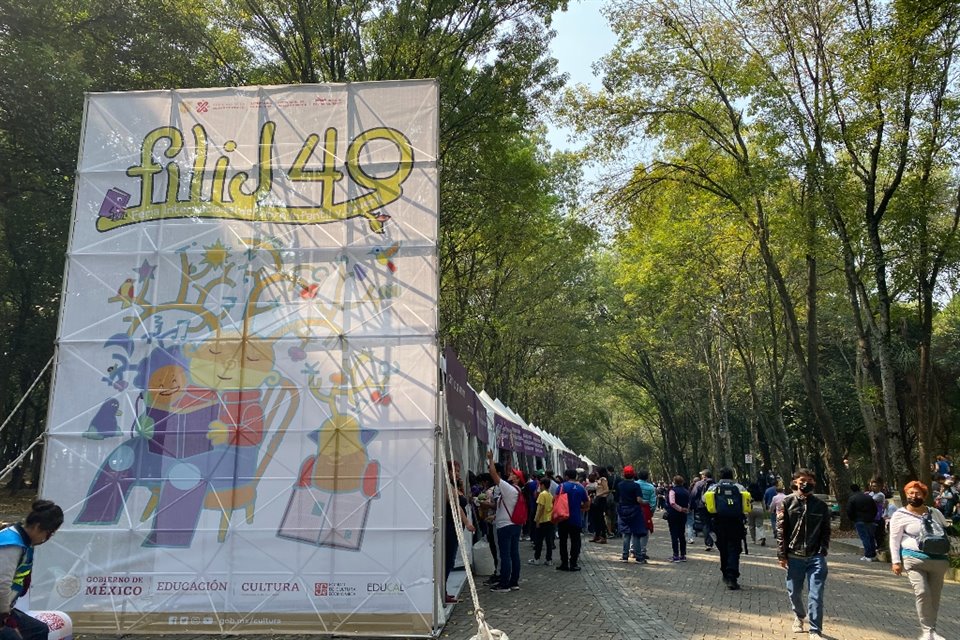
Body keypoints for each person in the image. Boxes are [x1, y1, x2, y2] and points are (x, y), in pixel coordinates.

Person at [889, 480, 950, 640]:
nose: (914, 496)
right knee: (922, 592)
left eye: (917, 493)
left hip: (938, 560)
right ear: (906, 495)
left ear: (924, 495)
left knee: (934, 596)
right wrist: (896, 561)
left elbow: (946, 530)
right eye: (911, 493)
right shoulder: (899, 515)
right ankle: (926, 631)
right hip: (913, 558)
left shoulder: (934, 512)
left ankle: (932, 630)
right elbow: (894, 539)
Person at [776, 469, 830, 638]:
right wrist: (782, 554)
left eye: (809, 480)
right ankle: (799, 616)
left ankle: (815, 630)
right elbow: (781, 530)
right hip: (794, 555)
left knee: (816, 595)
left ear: (814, 483)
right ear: (795, 482)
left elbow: (826, 530)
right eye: (801, 480)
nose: (805, 483)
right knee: (794, 591)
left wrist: (823, 549)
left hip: (816, 556)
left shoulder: (821, 506)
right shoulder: (786, 502)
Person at [0, 499, 64, 640]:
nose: (47, 538)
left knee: (38, 630)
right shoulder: (12, 544)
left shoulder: (23, 542)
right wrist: (5, 616)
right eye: (48, 533)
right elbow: (2, 585)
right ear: (37, 526)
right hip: (2, 610)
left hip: (6, 608)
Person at [705, 467, 751, 589]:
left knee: (723, 548)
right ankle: (732, 576)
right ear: (732, 476)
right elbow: (747, 503)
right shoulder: (739, 487)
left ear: (720, 476)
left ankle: (725, 572)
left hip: (719, 523)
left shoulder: (713, 488)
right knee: (735, 549)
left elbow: (704, 500)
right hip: (736, 523)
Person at [486, 450, 522, 593]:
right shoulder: (517, 490)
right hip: (514, 525)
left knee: (505, 554)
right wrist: (495, 516)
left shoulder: (509, 489)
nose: (510, 474)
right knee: (514, 553)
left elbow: (494, 476)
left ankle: (504, 584)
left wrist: (490, 459)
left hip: (505, 527)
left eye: (513, 474)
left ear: (517, 479)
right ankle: (513, 582)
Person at [443, 467, 475, 603]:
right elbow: (456, 505)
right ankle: (442, 591)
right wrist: (467, 522)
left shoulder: (453, 486)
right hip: (450, 527)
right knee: (448, 560)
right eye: (454, 471)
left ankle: (443, 590)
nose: (457, 473)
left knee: (450, 559)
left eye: (457, 471)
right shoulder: (446, 487)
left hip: (455, 527)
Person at [556, 468, 589, 572]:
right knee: (575, 541)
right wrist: (579, 508)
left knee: (563, 541)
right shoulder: (581, 488)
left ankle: (564, 563)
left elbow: (555, 500)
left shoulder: (561, 486)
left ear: (566, 476)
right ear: (576, 476)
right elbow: (587, 504)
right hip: (576, 519)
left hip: (563, 518)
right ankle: (573, 563)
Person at [616, 465, 648, 563]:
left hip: (623, 510)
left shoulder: (619, 485)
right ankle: (639, 557)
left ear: (623, 474)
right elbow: (639, 500)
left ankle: (625, 556)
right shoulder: (636, 486)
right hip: (634, 511)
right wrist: (645, 502)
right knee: (636, 534)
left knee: (626, 534)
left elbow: (617, 499)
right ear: (633, 475)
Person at [846, 483, 879, 562]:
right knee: (871, 537)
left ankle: (868, 555)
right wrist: (872, 517)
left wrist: (853, 519)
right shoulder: (868, 497)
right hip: (870, 520)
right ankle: (873, 554)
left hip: (859, 520)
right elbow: (875, 509)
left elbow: (849, 510)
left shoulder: (852, 498)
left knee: (865, 538)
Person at [529, 477, 555, 566]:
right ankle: (549, 559)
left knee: (539, 541)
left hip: (542, 520)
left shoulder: (542, 494)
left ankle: (536, 558)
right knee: (549, 541)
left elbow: (540, 508)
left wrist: (537, 520)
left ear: (542, 485)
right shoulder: (550, 495)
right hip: (550, 520)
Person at [633, 470, 657, 562]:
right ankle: (642, 550)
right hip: (646, 510)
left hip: (634, 509)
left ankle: (633, 550)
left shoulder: (634, 484)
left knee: (634, 530)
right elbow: (653, 501)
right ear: (647, 477)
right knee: (645, 530)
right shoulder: (651, 487)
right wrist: (651, 511)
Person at [666, 475, 690, 562]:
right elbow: (689, 502)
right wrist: (685, 509)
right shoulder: (686, 491)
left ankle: (675, 555)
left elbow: (672, 503)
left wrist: (679, 509)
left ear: (674, 482)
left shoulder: (672, 491)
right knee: (681, 535)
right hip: (683, 515)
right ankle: (683, 555)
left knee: (674, 535)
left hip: (673, 515)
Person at [690, 469, 715, 551]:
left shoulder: (699, 484)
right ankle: (714, 540)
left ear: (704, 476)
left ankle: (708, 543)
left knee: (705, 524)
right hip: (713, 507)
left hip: (702, 507)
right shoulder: (715, 484)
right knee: (712, 524)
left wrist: (692, 506)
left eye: (702, 475)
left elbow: (693, 495)